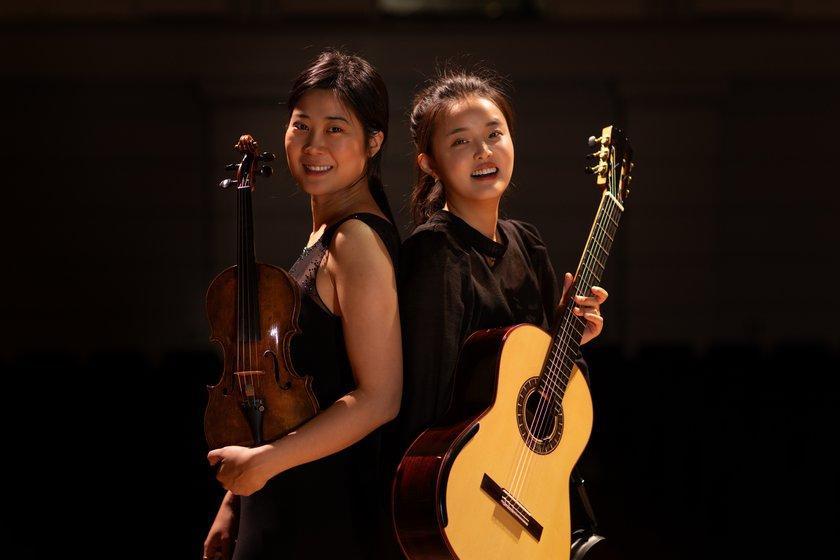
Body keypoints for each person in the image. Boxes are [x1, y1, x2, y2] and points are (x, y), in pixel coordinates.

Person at [390, 69, 609, 552]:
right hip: (464, 493)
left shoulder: (526, 243)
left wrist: (571, 344)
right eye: (461, 141)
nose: (483, 151)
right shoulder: (434, 253)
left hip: (531, 489)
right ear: (430, 163)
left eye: (494, 134)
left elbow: (555, 403)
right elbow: (426, 403)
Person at [203, 49, 402, 560]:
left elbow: (380, 398)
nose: (314, 145)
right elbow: (294, 395)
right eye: (301, 126)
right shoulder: (327, 234)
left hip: (323, 512)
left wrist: (264, 462)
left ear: (373, 141)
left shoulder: (355, 241)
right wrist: (235, 502)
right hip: (286, 492)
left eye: (336, 128)